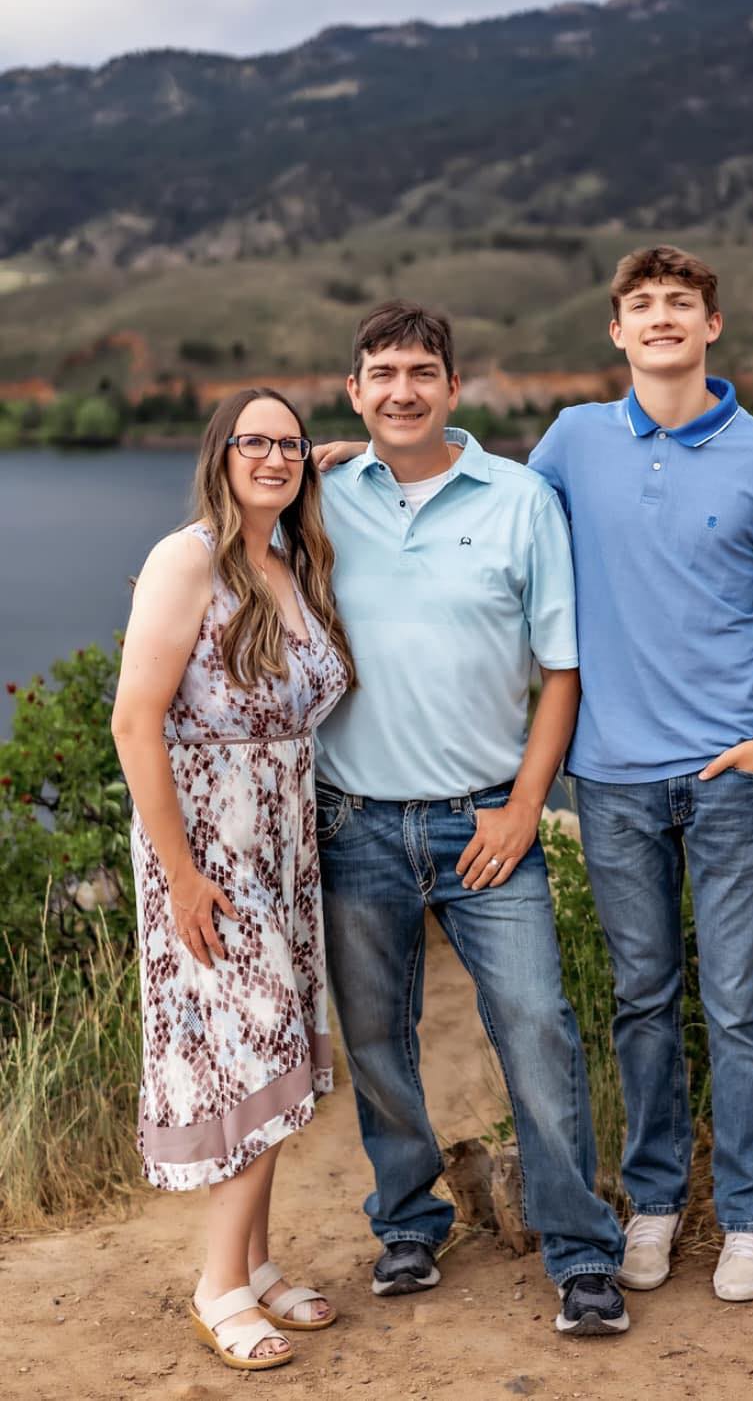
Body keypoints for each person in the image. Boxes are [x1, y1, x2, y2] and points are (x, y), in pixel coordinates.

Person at [312, 300, 629, 1337]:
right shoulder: (321, 499)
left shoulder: (521, 499)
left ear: (453, 387)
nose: (402, 389)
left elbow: (565, 672)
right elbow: (219, 531)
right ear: (356, 390)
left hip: (487, 824)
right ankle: (409, 1221)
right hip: (353, 823)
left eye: (421, 371)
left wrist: (525, 809)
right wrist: (308, 459)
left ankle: (582, 1251)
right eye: (381, 373)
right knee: (374, 1038)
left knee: (537, 1029)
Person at [529, 245, 753, 1302]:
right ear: (615, 331)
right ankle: (653, 1205)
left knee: (739, 1008)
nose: (660, 319)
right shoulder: (573, 440)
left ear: (711, 325)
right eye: (641, 305)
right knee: (644, 1000)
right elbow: (489, 511)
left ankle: (746, 1219)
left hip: (735, 771)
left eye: (678, 304)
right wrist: (357, 460)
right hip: (610, 775)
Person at [112, 387, 355, 1370]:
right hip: (209, 850)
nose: (273, 457)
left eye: (288, 444)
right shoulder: (188, 558)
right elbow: (136, 722)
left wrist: (339, 457)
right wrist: (180, 876)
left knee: (280, 1048)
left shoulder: (289, 560)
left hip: (286, 847)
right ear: (219, 454)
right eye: (252, 441)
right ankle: (218, 1290)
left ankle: (254, 1264)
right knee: (254, 1054)